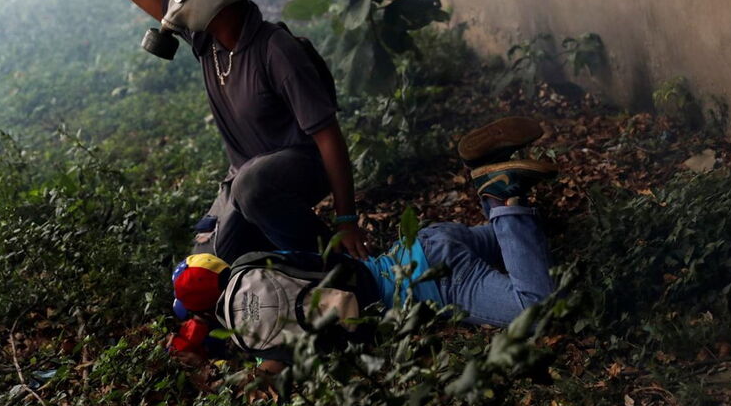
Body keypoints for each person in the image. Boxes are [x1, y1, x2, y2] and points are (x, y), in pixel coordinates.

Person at [18, 0, 368, 261]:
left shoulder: (277, 52)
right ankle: (278, 248)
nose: (176, 9)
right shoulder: (209, 38)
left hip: (300, 170)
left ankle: (338, 266)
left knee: (254, 190)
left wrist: (347, 220)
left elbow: (329, 137)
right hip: (246, 181)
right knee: (201, 272)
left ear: (221, 3)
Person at [170, 116, 558, 373]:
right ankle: (496, 173)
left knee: (535, 309)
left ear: (203, 314)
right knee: (532, 241)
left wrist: (210, 360)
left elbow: (270, 377)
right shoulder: (257, 261)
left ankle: (502, 194)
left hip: (439, 283)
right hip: (422, 243)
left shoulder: (252, 331)